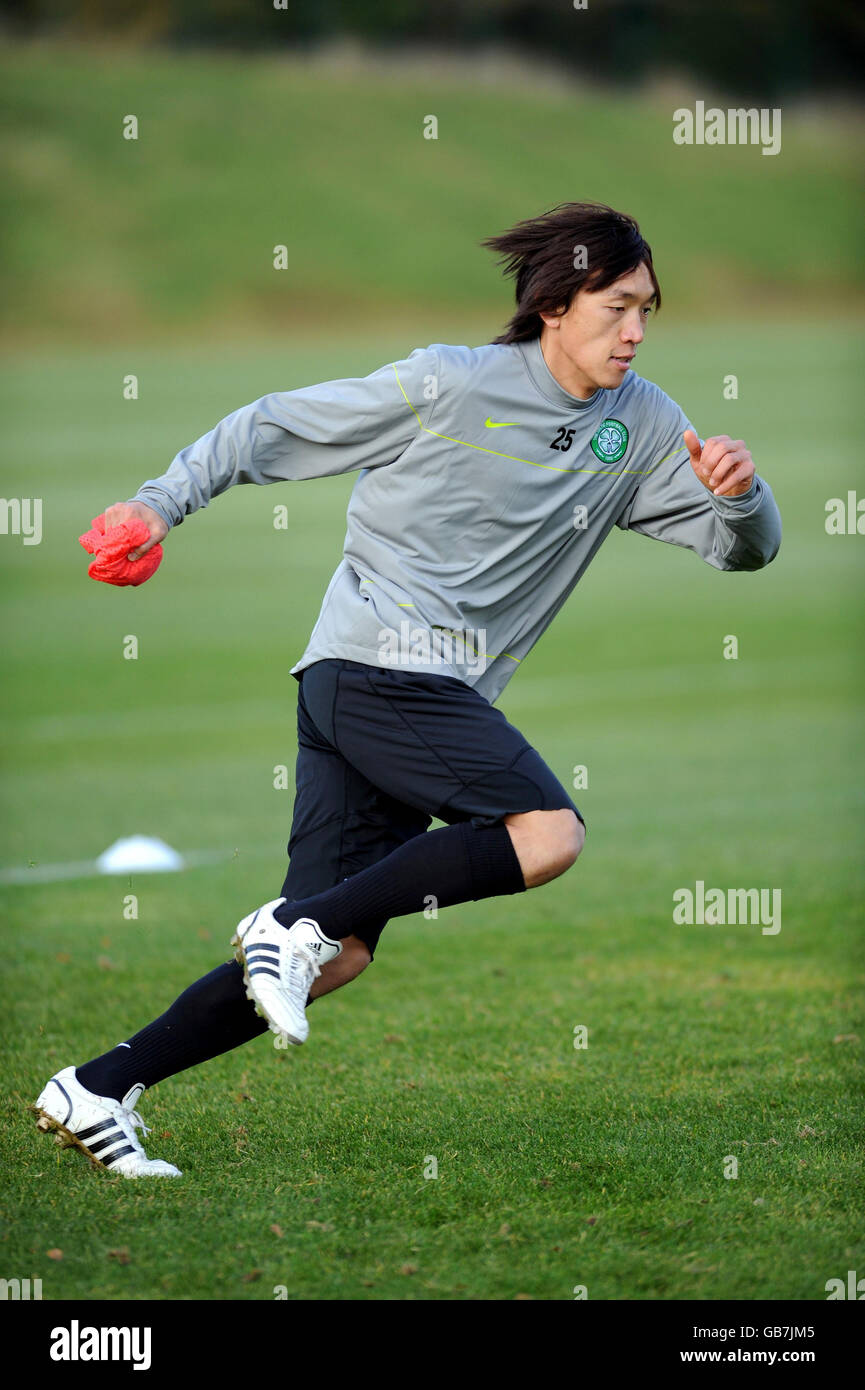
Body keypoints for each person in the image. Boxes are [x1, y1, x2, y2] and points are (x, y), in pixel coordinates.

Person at [34, 202, 781, 1177]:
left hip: (382, 696)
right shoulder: (448, 383)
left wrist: (739, 496)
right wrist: (156, 503)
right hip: (377, 667)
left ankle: (96, 1085)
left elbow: (743, 553)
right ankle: (288, 924)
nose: (636, 330)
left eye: (648, 308)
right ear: (554, 305)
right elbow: (269, 427)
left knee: (335, 953)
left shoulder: (642, 425)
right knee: (548, 833)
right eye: (616, 306)